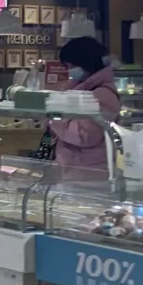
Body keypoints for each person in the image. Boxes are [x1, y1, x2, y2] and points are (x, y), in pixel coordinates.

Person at [50, 36, 120, 179]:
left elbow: (84, 136)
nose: (69, 71)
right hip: (78, 171)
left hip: (91, 174)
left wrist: (54, 119)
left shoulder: (102, 94)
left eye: (71, 66)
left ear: (86, 63)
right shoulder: (81, 90)